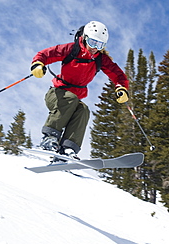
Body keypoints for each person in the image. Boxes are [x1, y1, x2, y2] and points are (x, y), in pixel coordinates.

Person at [31, 20, 129, 159]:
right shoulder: (71, 49)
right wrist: (38, 64)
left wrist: (122, 88)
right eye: (93, 43)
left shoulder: (100, 59)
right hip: (57, 94)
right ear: (85, 38)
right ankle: (49, 139)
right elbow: (46, 54)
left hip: (74, 100)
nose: (95, 48)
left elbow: (118, 75)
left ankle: (68, 148)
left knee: (83, 110)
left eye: (99, 45)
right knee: (70, 98)